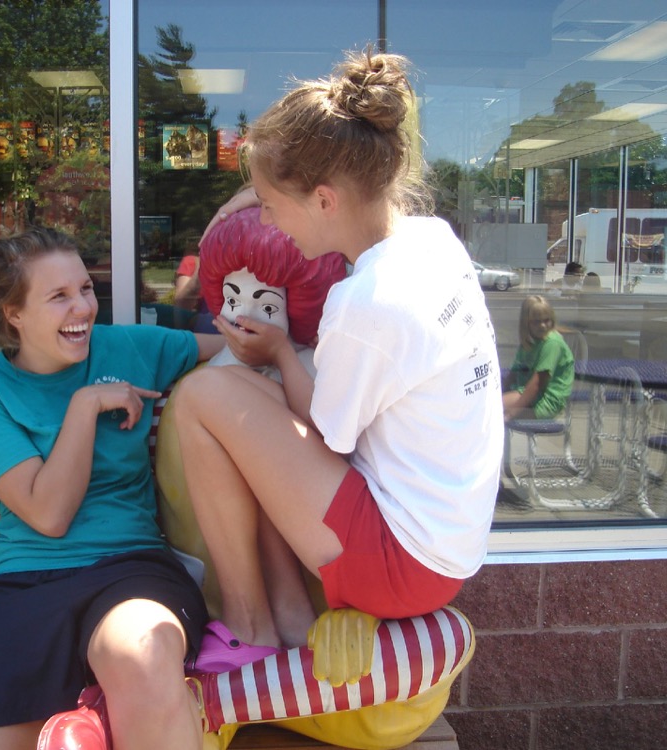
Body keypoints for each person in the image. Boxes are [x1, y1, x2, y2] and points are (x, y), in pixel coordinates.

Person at [171, 48, 503, 663]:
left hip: (397, 565)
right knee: (246, 419)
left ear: (324, 201)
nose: (267, 220)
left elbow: (325, 439)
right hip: (445, 545)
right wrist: (248, 195)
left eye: (269, 204)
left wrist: (279, 353)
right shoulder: (433, 242)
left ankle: (249, 628)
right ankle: (291, 616)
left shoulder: (367, 302)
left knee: (200, 398)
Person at [0, 226, 225, 750]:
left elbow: (237, 347)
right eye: (59, 296)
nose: (83, 308)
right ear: (14, 313)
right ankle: (97, 719)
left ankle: (104, 716)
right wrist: (86, 404)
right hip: (25, 587)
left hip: (130, 569)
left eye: (86, 289)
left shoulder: (129, 347)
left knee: (140, 654)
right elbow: (49, 514)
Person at [199, 205, 346, 382]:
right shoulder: (216, 371)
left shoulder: (318, 374)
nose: (243, 318)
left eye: (268, 308)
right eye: (232, 301)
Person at [502, 294, 575, 421]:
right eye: (536, 322)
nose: (542, 326)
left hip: (545, 401)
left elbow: (537, 384)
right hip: (527, 394)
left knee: (492, 409)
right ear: (526, 323)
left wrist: (512, 413)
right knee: (486, 403)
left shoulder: (552, 343)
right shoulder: (529, 342)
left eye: (546, 320)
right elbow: (513, 374)